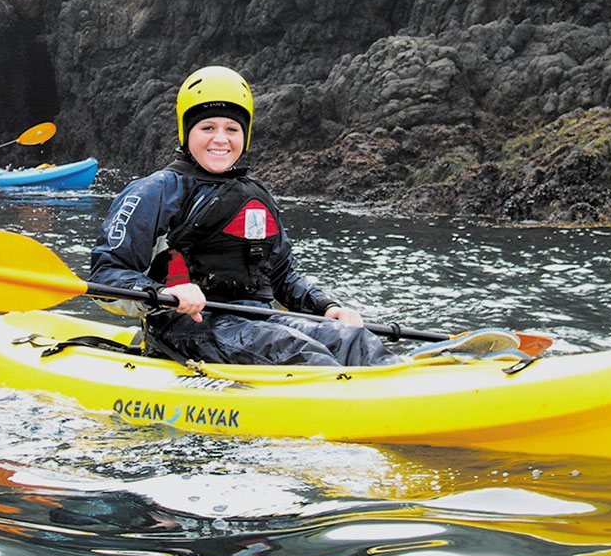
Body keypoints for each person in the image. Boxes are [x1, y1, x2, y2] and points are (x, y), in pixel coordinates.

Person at [90, 66, 403, 367]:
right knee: (298, 351)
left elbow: (281, 275)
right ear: (187, 132)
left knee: (354, 340)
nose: (220, 139)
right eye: (207, 128)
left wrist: (326, 306)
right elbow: (106, 275)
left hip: (257, 321)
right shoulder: (157, 190)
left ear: (245, 134)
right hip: (185, 327)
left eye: (232, 129)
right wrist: (164, 293)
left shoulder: (255, 195)